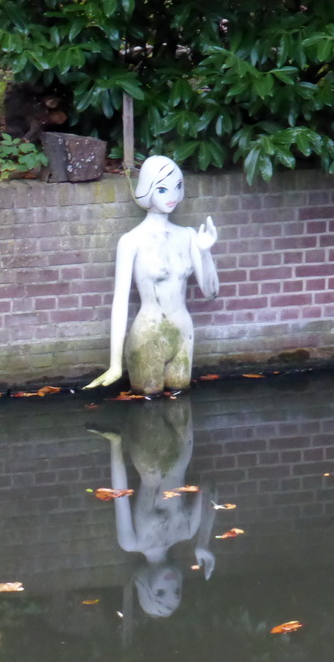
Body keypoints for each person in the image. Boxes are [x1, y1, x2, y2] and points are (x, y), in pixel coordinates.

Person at [86, 156, 219, 394]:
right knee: (148, 410)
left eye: (177, 187)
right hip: (148, 334)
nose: (172, 195)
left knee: (181, 409)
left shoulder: (189, 236)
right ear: (146, 189)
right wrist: (115, 364)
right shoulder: (131, 241)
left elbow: (211, 293)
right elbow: (120, 302)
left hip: (183, 333)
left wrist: (205, 252)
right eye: (162, 188)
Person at [88, 396, 217, 619]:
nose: (171, 585)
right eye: (176, 591)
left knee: (149, 394)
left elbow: (120, 494)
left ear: (146, 589)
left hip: (150, 461)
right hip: (182, 451)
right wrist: (203, 543)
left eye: (160, 593)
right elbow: (209, 487)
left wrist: (116, 445)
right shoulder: (187, 532)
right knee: (179, 392)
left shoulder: (132, 543)